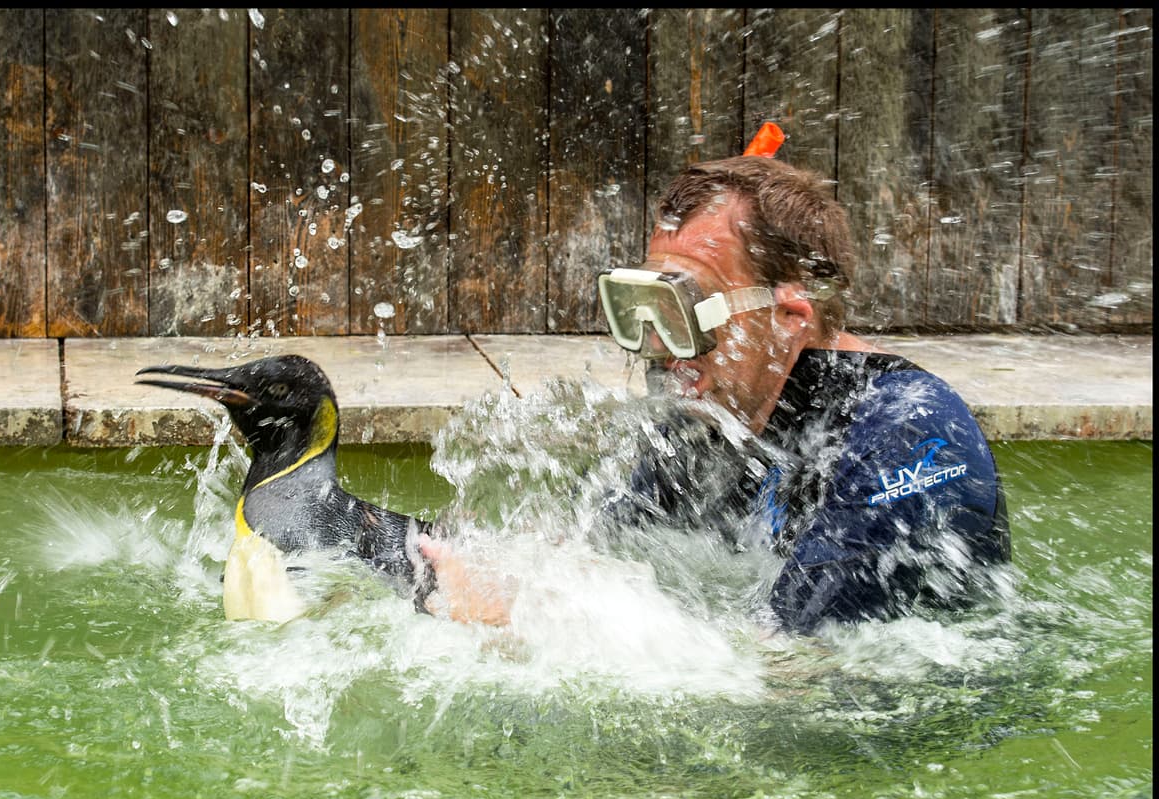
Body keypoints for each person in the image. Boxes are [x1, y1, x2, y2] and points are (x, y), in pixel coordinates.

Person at [416, 154, 1011, 634]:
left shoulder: (908, 432)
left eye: (685, 312)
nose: (662, 350)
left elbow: (784, 672)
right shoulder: (712, 424)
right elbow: (592, 552)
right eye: (643, 311)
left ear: (788, 317)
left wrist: (528, 618)